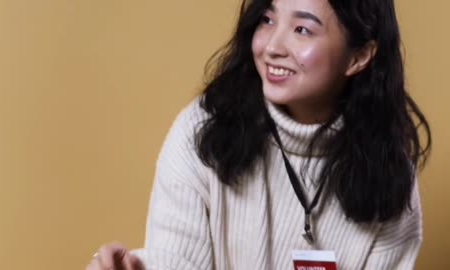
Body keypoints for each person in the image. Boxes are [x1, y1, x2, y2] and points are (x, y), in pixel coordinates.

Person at [86, 0, 432, 269]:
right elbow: (175, 260)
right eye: (267, 20)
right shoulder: (203, 131)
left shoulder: (389, 174)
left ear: (359, 56)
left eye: (302, 30)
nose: (272, 47)